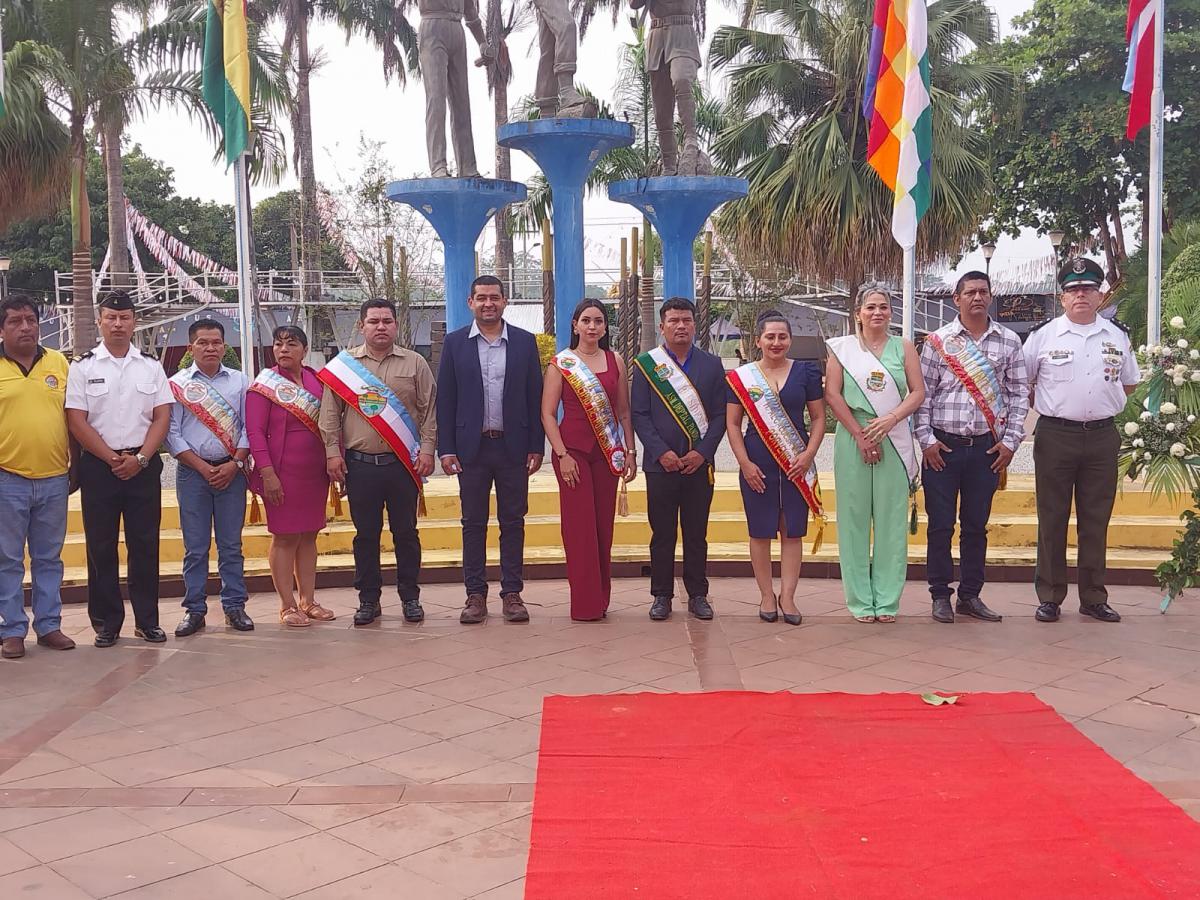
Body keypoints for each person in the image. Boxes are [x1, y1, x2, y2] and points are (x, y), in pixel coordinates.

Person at [1025, 258, 1139, 623]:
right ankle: (1050, 596)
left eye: (1088, 289)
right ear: (1062, 297)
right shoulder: (1043, 335)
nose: (1081, 296)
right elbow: (1024, 383)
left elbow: (1129, 382)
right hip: (1056, 434)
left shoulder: (1116, 335)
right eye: (1073, 290)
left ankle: (1092, 597)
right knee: (1052, 517)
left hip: (1103, 436)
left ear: (1099, 294)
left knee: (1096, 518)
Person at [915, 271, 1028, 624]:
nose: (977, 297)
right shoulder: (938, 342)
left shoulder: (1009, 341)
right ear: (956, 299)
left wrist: (1010, 442)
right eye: (970, 292)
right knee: (940, 524)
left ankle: (970, 595)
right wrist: (926, 440)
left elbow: (1019, 394)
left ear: (991, 296)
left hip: (986, 450)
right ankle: (939, 595)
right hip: (942, 449)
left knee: (976, 525)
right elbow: (923, 394)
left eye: (983, 291)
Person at [318, 299, 436, 626]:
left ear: (396, 325)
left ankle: (410, 597)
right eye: (373, 321)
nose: (380, 326)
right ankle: (368, 599)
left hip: (402, 464)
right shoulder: (344, 367)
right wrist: (331, 452)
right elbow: (329, 415)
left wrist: (428, 449)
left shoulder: (415, 363)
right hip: (360, 466)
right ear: (361, 326)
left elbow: (429, 411)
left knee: (406, 533)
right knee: (366, 535)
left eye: (386, 321)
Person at [66, 291, 173, 647]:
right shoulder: (82, 366)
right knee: (101, 546)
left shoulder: (150, 365)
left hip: (142, 466)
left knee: (145, 545)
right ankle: (106, 623)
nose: (117, 324)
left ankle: (147, 621)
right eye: (110, 317)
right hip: (100, 467)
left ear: (134, 322)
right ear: (100, 320)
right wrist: (112, 459)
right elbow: (76, 420)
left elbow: (162, 416)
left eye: (124, 318)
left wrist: (140, 458)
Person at [437, 275, 544, 624]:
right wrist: (446, 448)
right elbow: (447, 399)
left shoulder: (526, 343)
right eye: (481, 298)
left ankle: (512, 593)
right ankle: (475, 595)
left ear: (504, 301)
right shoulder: (454, 344)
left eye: (494, 297)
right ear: (470, 302)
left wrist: (535, 445)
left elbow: (534, 397)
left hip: (513, 448)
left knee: (513, 521)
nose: (488, 303)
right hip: (472, 449)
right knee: (473, 523)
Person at [825, 286, 924, 623]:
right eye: (870, 307)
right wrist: (860, 435)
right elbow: (833, 394)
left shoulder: (904, 347)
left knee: (890, 522)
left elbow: (918, 392)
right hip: (854, 435)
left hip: (893, 435)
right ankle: (860, 601)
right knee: (853, 521)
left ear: (891, 313)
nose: (877, 313)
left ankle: (886, 600)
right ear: (858, 313)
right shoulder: (843, 349)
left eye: (883, 307)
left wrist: (892, 419)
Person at [726, 310, 827, 626]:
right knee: (760, 531)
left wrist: (809, 454)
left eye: (782, 336)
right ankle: (767, 595)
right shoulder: (742, 378)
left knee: (792, 530)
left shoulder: (806, 373)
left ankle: (788, 596)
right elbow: (732, 423)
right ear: (758, 340)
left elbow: (819, 418)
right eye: (770, 336)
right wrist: (744, 464)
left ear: (790, 340)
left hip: (796, 462)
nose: (776, 342)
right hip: (757, 463)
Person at [631, 296, 727, 621]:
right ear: (662, 326)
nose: (680, 326)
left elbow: (720, 416)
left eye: (686, 320)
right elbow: (639, 415)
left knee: (696, 533)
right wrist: (662, 453)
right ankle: (661, 595)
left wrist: (702, 453)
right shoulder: (647, 364)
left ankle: (698, 594)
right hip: (661, 467)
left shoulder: (711, 365)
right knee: (662, 533)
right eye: (673, 321)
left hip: (699, 467)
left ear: (695, 324)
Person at [542, 299, 637, 621]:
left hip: (607, 455)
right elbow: (547, 413)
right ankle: (584, 604)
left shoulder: (616, 360)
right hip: (574, 455)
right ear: (575, 325)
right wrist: (562, 454)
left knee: (602, 529)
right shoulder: (561, 364)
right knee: (579, 530)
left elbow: (624, 411)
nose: (592, 326)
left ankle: (601, 598)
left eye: (598, 320)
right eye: (586, 320)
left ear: (605, 327)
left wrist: (631, 452)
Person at [167, 319, 254, 637]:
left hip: (232, 471)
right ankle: (195, 610)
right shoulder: (176, 384)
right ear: (191, 347)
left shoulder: (240, 381)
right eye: (203, 342)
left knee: (231, 545)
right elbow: (172, 433)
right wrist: (202, 468)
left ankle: (235, 606)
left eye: (216, 342)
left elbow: (250, 427)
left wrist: (235, 463)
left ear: (224, 346)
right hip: (193, 474)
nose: (210, 348)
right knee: (196, 547)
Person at [0, 296, 76, 659]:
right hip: (7, 479)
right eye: (15, 321)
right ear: (2, 329)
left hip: (54, 479)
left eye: (30, 319)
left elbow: (73, 417)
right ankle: (12, 629)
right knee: (8, 559)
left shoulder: (58, 362)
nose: (25, 327)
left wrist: (75, 466)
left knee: (49, 558)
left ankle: (49, 625)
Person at [247, 325, 337, 627]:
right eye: (278, 344)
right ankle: (287, 605)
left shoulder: (317, 380)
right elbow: (255, 432)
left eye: (291, 344)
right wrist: (267, 473)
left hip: (315, 471)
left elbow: (332, 423)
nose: (284, 349)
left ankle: (308, 601)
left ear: (304, 348)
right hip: (281, 471)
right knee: (285, 537)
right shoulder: (265, 384)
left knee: (309, 534)